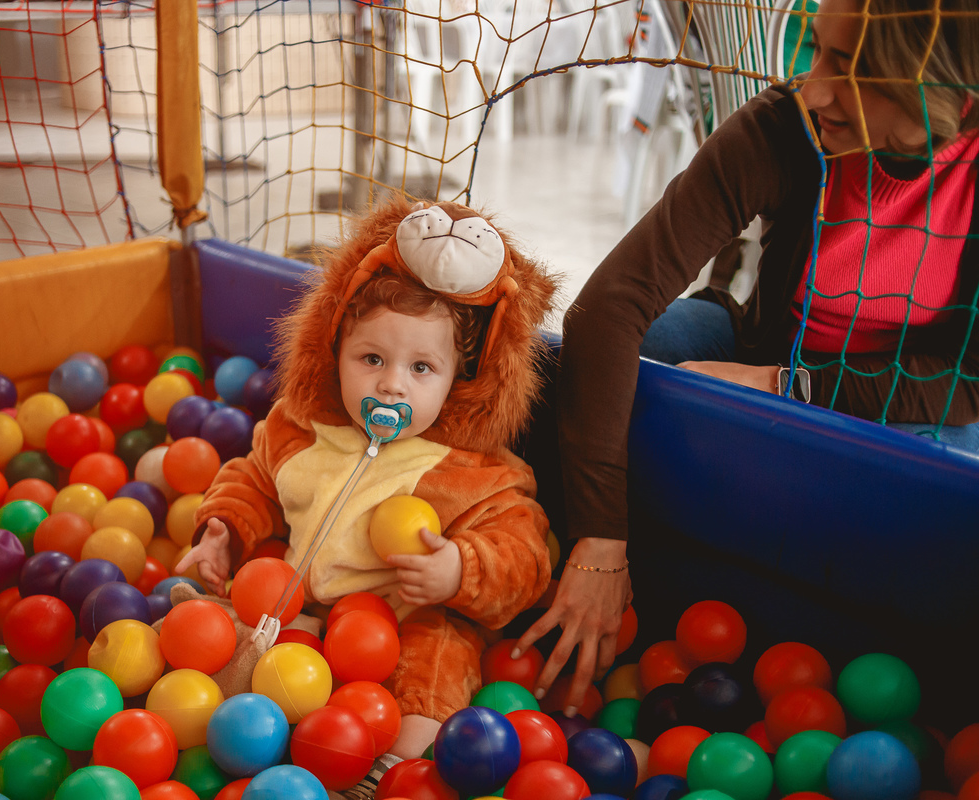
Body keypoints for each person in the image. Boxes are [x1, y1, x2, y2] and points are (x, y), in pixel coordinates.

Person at [513, 0, 979, 714]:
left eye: (849, 68)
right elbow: (609, 308)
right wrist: (600, 541)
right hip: (765, 350)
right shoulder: (786, 126)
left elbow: (969, 382)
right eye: (817, 48)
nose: (813, 88)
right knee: (644, 351)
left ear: (940, 90)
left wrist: (788, 386)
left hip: (910, 400)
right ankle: (532, 561)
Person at [175, 197, 560, 792]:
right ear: (334, 350)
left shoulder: (472, 474)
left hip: (406, 619)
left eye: (421, 368)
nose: (390, 384)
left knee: (438, 661)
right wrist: (223, 529)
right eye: (372, 358)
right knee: (252, 612)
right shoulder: (302, 427)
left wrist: (460, 569)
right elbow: (254, 477)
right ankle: (218, 664)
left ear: (460, 379)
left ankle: (392, 767)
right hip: (304, 601)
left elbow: (524, 553)